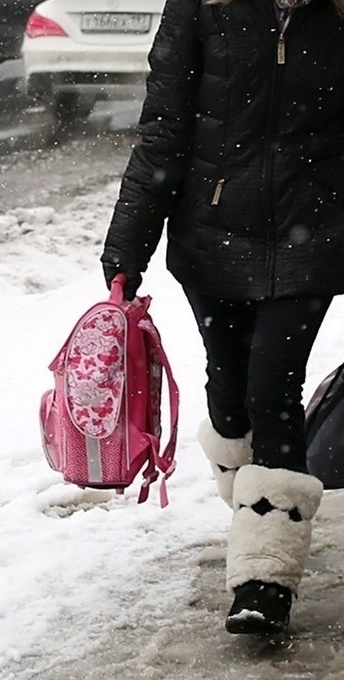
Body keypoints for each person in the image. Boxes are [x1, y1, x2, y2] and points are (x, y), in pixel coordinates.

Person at [100, 0, 344, 635]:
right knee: (230, 394)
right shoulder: (200, 9)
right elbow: (163, 131)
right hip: (212, 237)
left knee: (274, 393)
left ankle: (265, 577)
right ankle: (252, 509)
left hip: (312, 238)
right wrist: (127, 248)